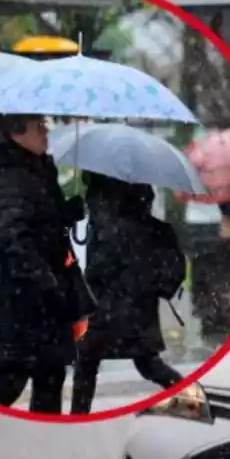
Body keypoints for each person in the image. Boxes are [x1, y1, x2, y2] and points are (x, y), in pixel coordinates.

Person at [0, 114, 94, 413]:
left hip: (32, 298)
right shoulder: (8, 175)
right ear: (16, 132)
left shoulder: (34, 166)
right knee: (9, 381)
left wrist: (67, 211)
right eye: (38, 125)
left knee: (50, 373)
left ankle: (44, 441)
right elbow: (14, 239)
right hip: (13, 298)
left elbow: (36, 219)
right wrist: (46, 281)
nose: (46, 130)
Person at [70, 173, 186, 414]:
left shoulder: (108, 226)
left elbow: (96, 270)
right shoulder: (152, 227)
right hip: (140, 309)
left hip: (106, 310)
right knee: (148, 364)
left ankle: (77, 414)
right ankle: (191, 396)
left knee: (86, 364)